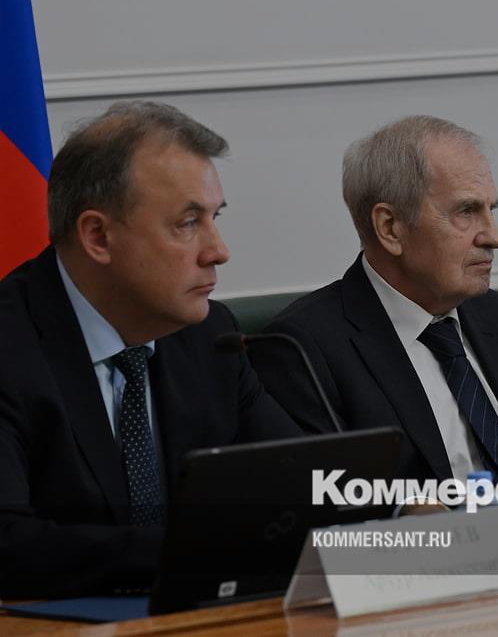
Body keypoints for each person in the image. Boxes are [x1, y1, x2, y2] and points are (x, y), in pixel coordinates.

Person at [0, 102, 301, 596]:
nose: (218, 250)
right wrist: (193, 550)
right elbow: (9, 542)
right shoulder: (11, 347)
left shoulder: (210, 336)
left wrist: (395, 507)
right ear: (98, 236)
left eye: (214, 217)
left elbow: (297, 478)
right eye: (188, 223)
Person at [253, 116, 498, 512]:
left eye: (491, 209)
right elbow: (328, 516)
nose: (494, 237)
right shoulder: (305, 350)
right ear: (390, 228)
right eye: (467, 211)